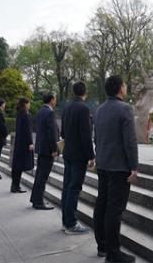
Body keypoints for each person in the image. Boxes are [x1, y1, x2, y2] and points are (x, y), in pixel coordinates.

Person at [93, 75, 138, 263]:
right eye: (125, 85)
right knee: (114, 210)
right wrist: (134, 166)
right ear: (120, 88)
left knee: (102, 204)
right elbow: (130, 141)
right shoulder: (125, 109)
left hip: (103, 164)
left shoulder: (99, 110)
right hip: (119, 167)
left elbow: (97, 138)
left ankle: (102, 245)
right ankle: (114, 253)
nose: (126, 87)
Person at [60, 81, 94, 234]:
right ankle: (71, 223)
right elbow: (86, 135)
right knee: (74, 188)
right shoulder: (84, 108)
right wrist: (91, 156)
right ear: (85, 92)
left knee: (67, 187)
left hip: (68, 152)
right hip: (79, 155)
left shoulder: (67, 107)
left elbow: (63, 133)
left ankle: (65, 221)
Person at [29, 92, 59, 210]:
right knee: (43, 176)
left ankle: (35, 199)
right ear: (51, 100)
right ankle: (39, 201)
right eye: (55, 99)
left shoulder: (41, 111)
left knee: (39, 175)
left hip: (41, 148)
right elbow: (52, 133)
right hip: (47, 150)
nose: (56, 101)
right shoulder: (50, 112)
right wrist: (54, 149)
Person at [10, 98, 34, 192]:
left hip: (19, 142)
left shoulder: (19, 114)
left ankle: (15, 185)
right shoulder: (25, 115)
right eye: (29, 103)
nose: (29, 105)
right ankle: (16, 186)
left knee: (17, 166)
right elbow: (27, 130)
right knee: (19, 166)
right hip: (24, 143)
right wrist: (30, 142)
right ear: (25, 104)